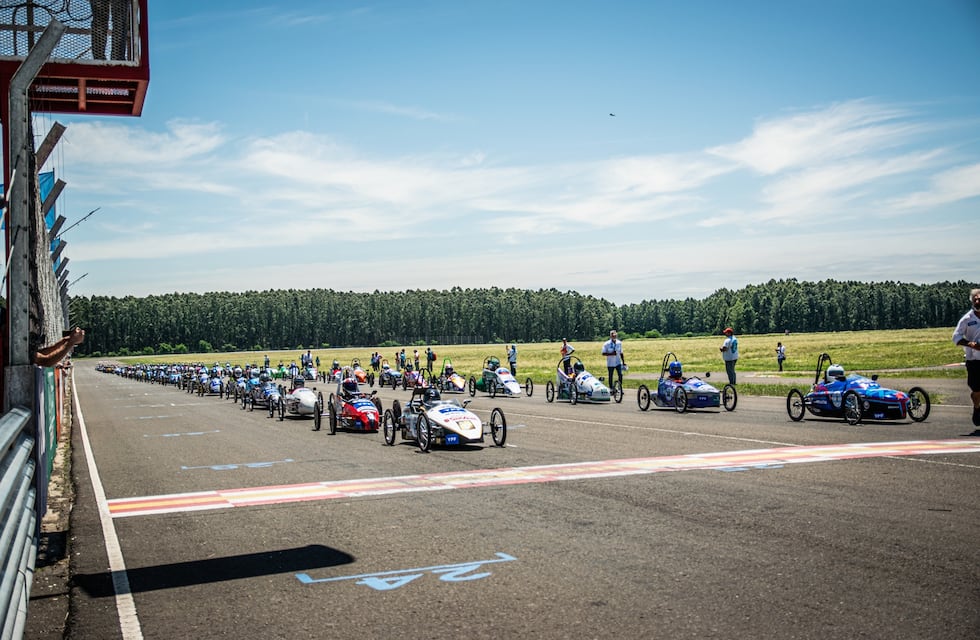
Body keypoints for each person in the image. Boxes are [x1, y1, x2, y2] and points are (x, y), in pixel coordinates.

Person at [953, 288, 980, 427]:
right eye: (975, 300)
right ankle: (977, 407)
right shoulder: (967, 319)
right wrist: (970, 344)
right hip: (974, 360)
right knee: (977, 390)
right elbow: (956, 337)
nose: (978, 302)